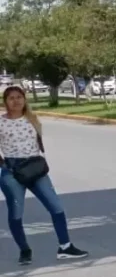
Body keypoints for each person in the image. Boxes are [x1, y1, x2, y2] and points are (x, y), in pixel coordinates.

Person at [0, 86, 88, 265]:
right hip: (12, 171)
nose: (16, 101)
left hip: (35, 167)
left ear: (25, 99)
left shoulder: (32, 119)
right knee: (16, 213)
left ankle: (65, 246)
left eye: (19, 97)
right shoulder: (0, 122)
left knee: (56, 206)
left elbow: (38, 143)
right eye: (11, 98)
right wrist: (5, 166)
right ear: (5, 102)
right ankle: (24, 250)